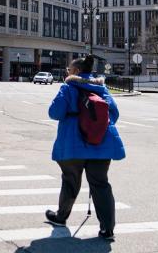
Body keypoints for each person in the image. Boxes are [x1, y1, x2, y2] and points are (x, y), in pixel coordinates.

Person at [45, 57, 125, 242]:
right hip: (101, 143)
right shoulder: (102, 88)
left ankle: (61, 217)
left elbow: (54, 112)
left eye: (69, 69)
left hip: (72, 143)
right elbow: (115, 113)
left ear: (76, 71)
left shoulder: (68, 87)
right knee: (100, 184)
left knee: (70, 180)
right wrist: (95, 127)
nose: (67, 72)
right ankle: (107, 229)